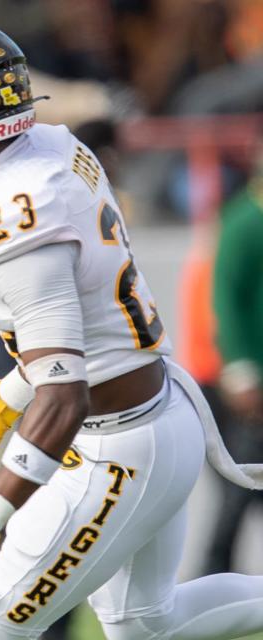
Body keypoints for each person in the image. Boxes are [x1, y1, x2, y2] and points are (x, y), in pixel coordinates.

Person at [0, 19, 263, 638]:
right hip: (155, 408)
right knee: (145, 623)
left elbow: (64, 392)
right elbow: (78, 322)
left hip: (121, 444)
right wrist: (8, 395)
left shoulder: (9, 212)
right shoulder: (53, 147)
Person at [209, 167, 263, 574]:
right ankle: (213, 574)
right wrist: (242, 372)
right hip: (255, 382)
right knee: (240, 486)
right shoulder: (246, 219)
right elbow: (226, 297)